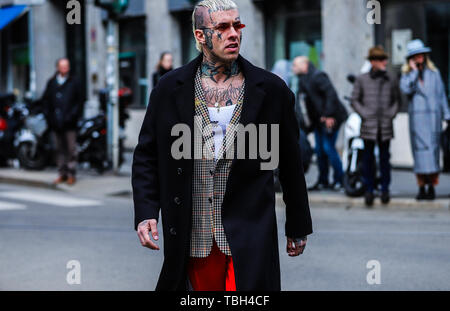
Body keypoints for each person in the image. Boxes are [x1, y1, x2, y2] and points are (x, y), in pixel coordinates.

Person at [132, 0, 312, 291]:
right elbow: (147, 156)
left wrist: (298, 224)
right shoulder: (169, 88)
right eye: (223, 27)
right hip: (193, 233)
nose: (234, 34)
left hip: (250, 230)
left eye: (237, 25)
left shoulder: (272, 90)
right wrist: (146, 212)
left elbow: (291, 163)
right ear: (200, 35)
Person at [400, 39, 450, 200]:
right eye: (416, 55)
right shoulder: (407, 75)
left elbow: (441, 95)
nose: (419, 57)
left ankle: (431, 187)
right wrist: (414, 72)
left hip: (433, 120)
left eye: (421, 54)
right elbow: (405, 89)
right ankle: (422, 187)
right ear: (411, 58)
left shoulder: (434, 74)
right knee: (420, 155)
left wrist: (447, 114)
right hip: (418, 121)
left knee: (433, 154)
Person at [351, 46, 400, 206]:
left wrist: (390, 114)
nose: (384, 62)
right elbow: (355, 100)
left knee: (385, 158)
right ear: (373, 62)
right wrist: (365, 114)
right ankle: (369, 190)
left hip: (385, 125)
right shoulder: (362, 79)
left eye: (384, 59)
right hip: (369, 125)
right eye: (381, 59)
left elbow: (397, 100)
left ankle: (385, 189)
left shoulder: (390, 78)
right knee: (368, 159)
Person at [292, 56, 348, 191]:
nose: (293, 68)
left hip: (331, 118)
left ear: (304, 65)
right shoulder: (303, 80)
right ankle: (323, 181)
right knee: (319, 150)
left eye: (295, 65)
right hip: (319, 121)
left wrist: (328, 115)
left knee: (328, 148)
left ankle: (340, 180)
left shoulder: (318, 76)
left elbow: (331, 94)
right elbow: (304, 105)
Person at [41, 58, 83, 185]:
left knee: (71, 149)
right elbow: (46, 101)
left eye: (67, 66)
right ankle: (61, 173)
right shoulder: (52, 82)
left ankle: (71, 174)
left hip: (70, 123)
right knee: (59, 149)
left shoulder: (74, 82)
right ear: (58, 68)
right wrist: (49, 117)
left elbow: (79, 101)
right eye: (62, 66)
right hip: (55, 123)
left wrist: (73, 116)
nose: (65, 68)